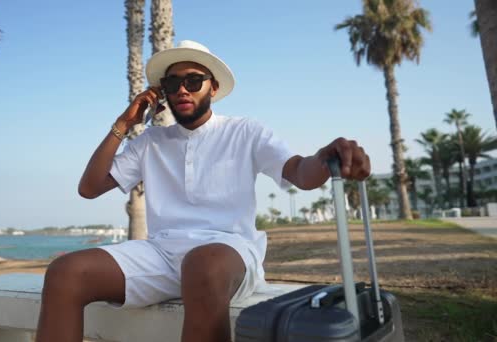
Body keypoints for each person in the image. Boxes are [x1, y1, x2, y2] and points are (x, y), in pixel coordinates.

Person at [36, 40, 371, 342]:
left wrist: (326, 159)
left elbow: (298, 171)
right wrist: (123, 126)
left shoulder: (245, 131)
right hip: (163, 254)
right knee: (66, 273)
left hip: (228, 254)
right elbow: (89, 188)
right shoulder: (150, 142)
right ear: (162, 92)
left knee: (202, 264)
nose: (182, 89)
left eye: (193, 81)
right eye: (172, 83)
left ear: (214, 87)